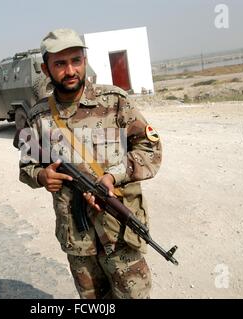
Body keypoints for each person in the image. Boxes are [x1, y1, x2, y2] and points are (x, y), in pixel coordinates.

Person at [18, 28, 162, 299]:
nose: (70, 70)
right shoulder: (38, 116)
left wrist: (114, 176)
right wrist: (41, 176)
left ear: (85, 61)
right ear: (46, 68)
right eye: (60, 63)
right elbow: (26, 166)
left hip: (120, 231)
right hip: (77, 238)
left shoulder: (114, 102)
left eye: (75, 61)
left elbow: (151, 147)